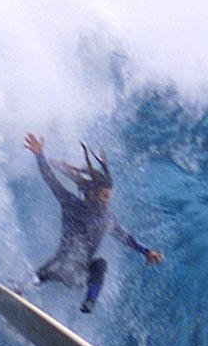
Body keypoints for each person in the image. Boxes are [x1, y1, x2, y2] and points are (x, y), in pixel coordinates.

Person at [24, 133, 163, 312]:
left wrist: (146, 251)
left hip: (81, 275)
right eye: (104, 196)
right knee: (36, 277)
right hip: (58, 266)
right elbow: (51, 180)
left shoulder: (106, 219)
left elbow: (126, 238)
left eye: (108, 197)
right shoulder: (71, 203)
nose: (106, 201)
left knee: (100, 264)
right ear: (92, 193)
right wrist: (40, 155)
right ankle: (17, 290)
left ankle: (89, 301)